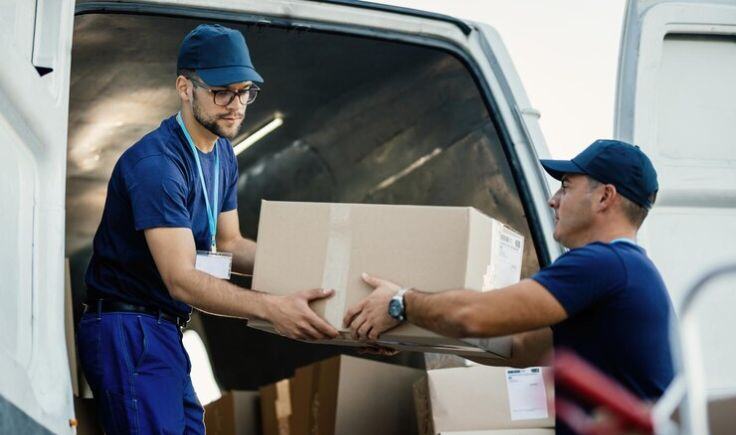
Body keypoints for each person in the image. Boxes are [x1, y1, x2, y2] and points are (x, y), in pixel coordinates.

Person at [77, 24, 338, 434]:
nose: (236, 105)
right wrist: (272, 307)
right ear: (185, 87)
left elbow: (230, 243)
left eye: (245, 91)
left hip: (165, 330)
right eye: (222, 92)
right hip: (129, 330)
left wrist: (314, 269)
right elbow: (181, 279)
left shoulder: (222, 156)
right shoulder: (157, 166)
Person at [344, 139, 675, 430]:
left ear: (604, 196)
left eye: (566, 186)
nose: (553, 200)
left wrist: (400, 302)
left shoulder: (603, 264)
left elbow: (474, 316)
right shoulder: (626, 270)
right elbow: (516, 348)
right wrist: (411, 337)